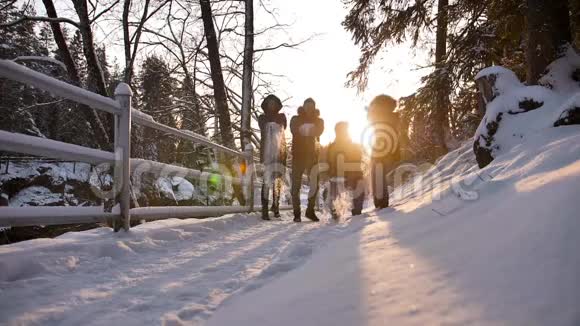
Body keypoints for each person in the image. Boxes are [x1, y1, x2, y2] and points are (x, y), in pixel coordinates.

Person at [290, 98, 324, 222]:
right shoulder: (295, 119)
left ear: (314, 108)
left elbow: (319, 130)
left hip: (312, 157)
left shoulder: (319, 120)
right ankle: (297, 213)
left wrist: (304, 129)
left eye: (311, 106)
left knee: (315, 184)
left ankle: (310, 211)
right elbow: (295, 130)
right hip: (298, 156)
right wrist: (310, 129)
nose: (309, 109)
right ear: (303, 107)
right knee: (295, 186)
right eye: (307, 106)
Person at [367, 95, 401, 209]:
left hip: (382, 148)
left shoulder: (386, 117)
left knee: (377, 173)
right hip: (381, 148)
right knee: (377, 173)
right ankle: (380, 201)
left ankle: (381, 202)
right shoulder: (391, 116)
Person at [326, 122, 365, 219]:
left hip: (340, 176)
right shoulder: (353, 146)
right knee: (359, 181)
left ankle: (336, 211)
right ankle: (356, 210)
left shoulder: (332, 146)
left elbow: (329, 163)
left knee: (334, 185)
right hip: (347, 176)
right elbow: (357, 161)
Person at [258, 95, 287, 220]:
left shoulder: (282, 116)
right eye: (269, 103)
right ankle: (264, 209)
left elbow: (283, 126)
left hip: (279, 153)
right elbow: (263, 126)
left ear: (277, 104)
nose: (271, 105)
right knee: (266, 182)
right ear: (266, 104)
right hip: (266, 154)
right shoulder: (262, 117)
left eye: (273, 103)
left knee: (277, 182)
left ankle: (276, 207)